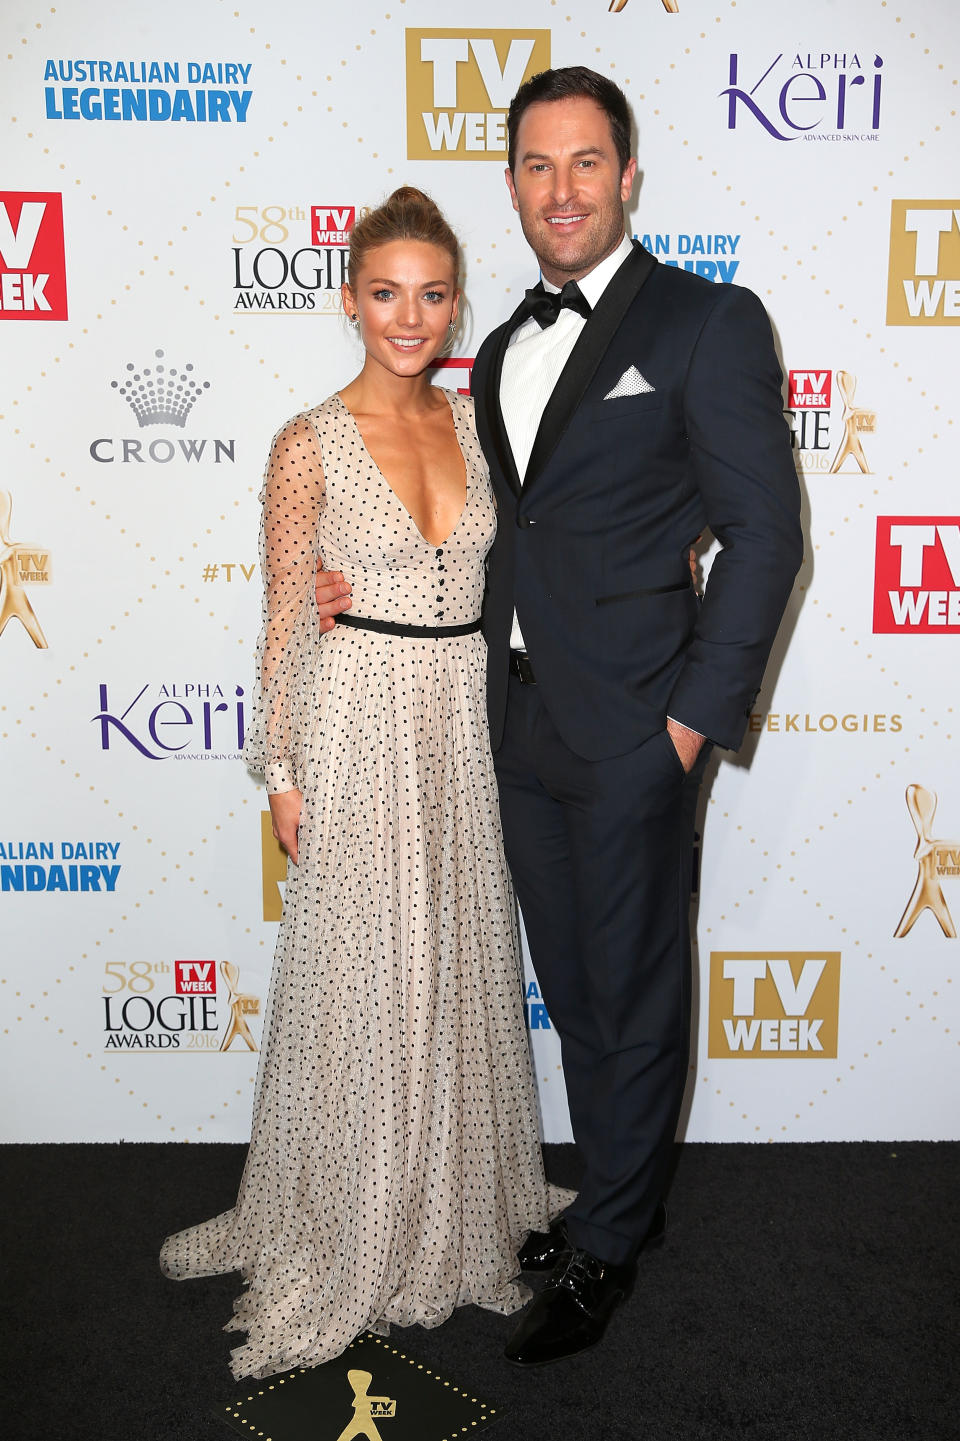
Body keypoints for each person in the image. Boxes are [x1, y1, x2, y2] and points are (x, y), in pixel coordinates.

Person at [317, 67, 804, 1368]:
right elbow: (490, 530)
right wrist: (353, 582)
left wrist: (693, 729)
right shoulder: (500, 348)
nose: (561, 189)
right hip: (513, 723)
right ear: (516, 186)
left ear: (628, 177)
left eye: (585, 163)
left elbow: (765, 539)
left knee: (633, 990)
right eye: (536, 167)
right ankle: (612, 1204)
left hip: (641, 725)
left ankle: (610, 1247)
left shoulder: (708, 323)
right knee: (579, 989)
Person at [159, 187, 559, 1380]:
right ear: (348, 297)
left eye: (433, 294)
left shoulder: (478, 424)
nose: (410, 315)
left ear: (457, 305)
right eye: (386, 292)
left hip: (458, 722)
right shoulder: (306, 442)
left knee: (453, 958)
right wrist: (280, 774)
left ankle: (453, 1204)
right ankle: (348, 1222)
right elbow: (285, 617)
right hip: (357, 723)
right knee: (365, 974)